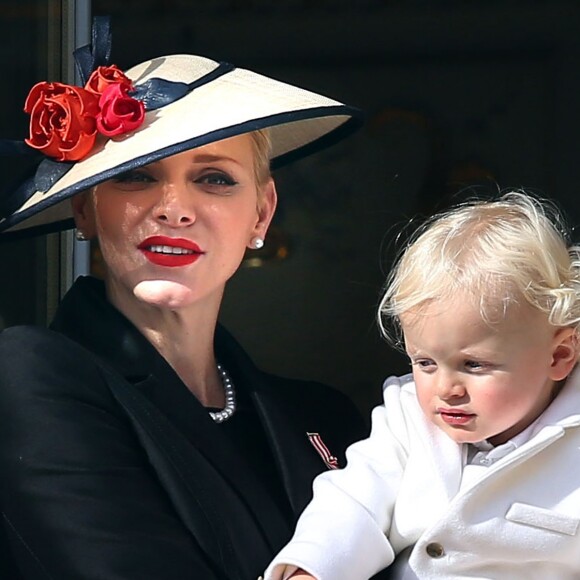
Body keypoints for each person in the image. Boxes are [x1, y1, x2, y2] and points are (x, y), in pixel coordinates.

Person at [0, 17, 369, 580]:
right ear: (84, 208)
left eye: (215, 178)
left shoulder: (328, 419)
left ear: (262, 213)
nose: (174, 207)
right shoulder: (28, 376)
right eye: (138, 176)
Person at [265, 191, 580, 580]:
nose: (446, 388)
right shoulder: (408, 417)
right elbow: (355, 501)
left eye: (473, 364)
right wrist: (312, 570)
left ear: (559, 356)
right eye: (425, 362)